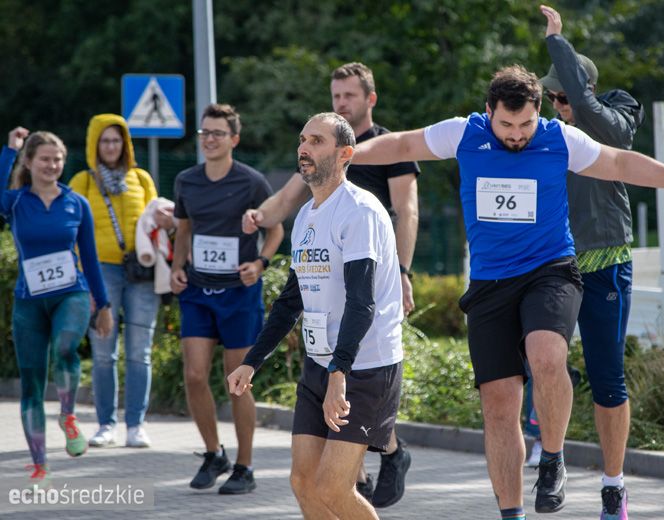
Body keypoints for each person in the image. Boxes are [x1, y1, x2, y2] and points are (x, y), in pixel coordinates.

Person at [348, 65, 664, 519]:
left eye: (526, 125)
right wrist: (348, 152)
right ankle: (511, 512)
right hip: (491, 283)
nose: (517, 135)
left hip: (549, 271)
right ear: (489, 112)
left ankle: (552, 457)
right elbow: (401, 144)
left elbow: (617, 162)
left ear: (538, 114)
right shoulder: (463, 134)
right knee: (498, 405)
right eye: (507, 125)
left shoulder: (559, 138)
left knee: (547, 355)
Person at [242, 62, 418, 507]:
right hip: (321, 363)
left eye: (316, 140)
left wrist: (340, 373)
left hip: (363, 367)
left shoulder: (359, 210)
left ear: (345, 154)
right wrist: (252, 361)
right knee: (303, 484)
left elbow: (361, 303)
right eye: (302, 139)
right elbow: (291, 300)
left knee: (332, 489)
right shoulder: (306, 216)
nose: (304, 147)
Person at [539, 6, 645, 518]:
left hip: (605, 261)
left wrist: (557, 41)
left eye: (562, 95)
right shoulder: (545, 133)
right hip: (555, 264)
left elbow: (587, 106)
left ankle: (613, 485)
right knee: (540, 363)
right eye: (551, 97)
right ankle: (550, 451)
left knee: (608, 378)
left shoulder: (616, 114)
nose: (556, 105)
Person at [171, 103, 283, 494]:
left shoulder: (252, 182)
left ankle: (244, 467)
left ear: (234, 139)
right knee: (195, 374)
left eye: (217, 133)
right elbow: (183, 231)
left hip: (239, 294)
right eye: (204, 133)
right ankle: (213, 452)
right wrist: (176, 266)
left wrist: (260, 263)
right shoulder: (187, 180)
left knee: (238, 382)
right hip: (199, 291)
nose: (210, 139)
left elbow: (275, 231)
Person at [1, 127, 113, 485]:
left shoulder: (75, 203)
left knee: (66, 346)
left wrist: (104, 304)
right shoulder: (16, 202)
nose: (52, 165)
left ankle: (67, 416)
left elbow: (91, 259)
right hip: (28, 302)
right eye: (45, 159)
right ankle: (39, 464)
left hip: (72, 293)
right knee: (32, 383)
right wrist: (9, 150)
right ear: (30, 162)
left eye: (58, 159)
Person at [69, 114, 160, 449]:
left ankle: (136, 424)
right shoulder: (83, 182)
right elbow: (71, 232)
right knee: (104, 351)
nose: (111, 146)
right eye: (104, 140)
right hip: (100, 272)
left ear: (125, 143)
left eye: (116, 140)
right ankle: (106, 423)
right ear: (94, 145)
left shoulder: (141, 178)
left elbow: (155, 221)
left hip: (141, 271)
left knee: (140, 351)